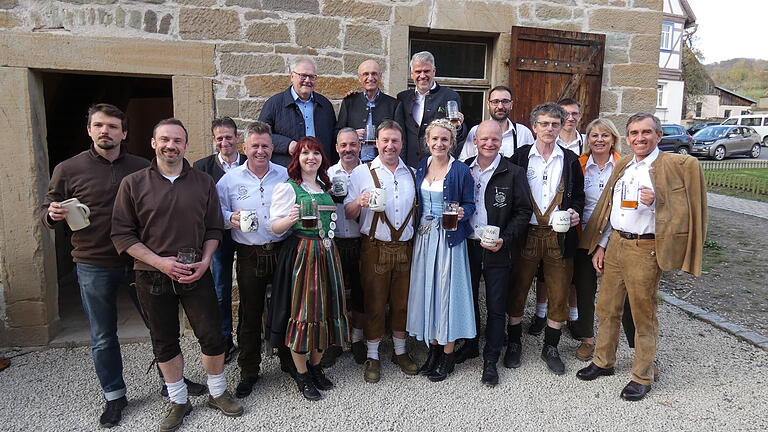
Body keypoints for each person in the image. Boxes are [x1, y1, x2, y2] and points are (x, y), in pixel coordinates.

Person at [39, 104, 204, 428]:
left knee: (160, 328)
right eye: (99, 125)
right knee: (103, 335)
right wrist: (51, 214)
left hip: (140, 262)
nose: (106, 132)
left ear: (124, 134)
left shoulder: (142, 167)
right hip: (93, 262)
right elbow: (48, 208)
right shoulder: (68, 169)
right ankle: (114, 395)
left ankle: (170, 383)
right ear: (89, 130)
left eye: (113, 127)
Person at [111, 119, 243, 432]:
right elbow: (122, 234)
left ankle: (217, 392)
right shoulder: (133, 184)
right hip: (151, 276)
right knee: (164, 341)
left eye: (177, 141)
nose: (171, 146)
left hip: (196, 272)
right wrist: (159, 262)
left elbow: (214, 228)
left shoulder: (201, 182)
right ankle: (179, 399)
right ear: (153, 143)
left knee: (212, 335)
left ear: (185, 145)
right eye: (165, 140)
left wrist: (206, 260)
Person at [576, 113, 707, 401]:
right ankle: (603, 361)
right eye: (634, 132)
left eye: (646, 132)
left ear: (658, 136)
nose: (640, 138)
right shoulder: (623, 164)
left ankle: (642, 375)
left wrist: (659, 200)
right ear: (628, 137)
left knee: (642, 314)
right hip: (616, 245)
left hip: (645, 249)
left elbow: (688, 207)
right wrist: (602, 244)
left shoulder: (672, 165)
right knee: (607, 308)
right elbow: (612, 209)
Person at [266, 136, 349, 401]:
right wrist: (288, 220)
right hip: (303, 254)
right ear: (297, 159)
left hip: (327, 254)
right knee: (304, 312)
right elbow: (273, 227)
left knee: (326, 311)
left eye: (315, 152)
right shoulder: (289, 188)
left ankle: (315, 368)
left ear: (322, 159)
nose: (310, 157)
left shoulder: (326, 186)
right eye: (305, 153)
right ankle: (301, 375)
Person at [506, 102, 585, 376]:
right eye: (544, 123)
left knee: (560, 290)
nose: (549, 129)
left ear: (562, 125)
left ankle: (550, 346)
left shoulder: (571, 160)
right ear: (534, 127)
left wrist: (574, 212)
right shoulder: (519, 157)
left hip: (558, 236)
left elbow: (578, 197)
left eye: (554, 123)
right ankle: (514, 342)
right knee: (517, 288)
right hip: (526, 233)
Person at [215, 121, 289, 398]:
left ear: (272, 148)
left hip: (282, 251)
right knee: (249, 313)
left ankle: (287, 362)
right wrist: (229, 219)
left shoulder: (284, 174)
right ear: (244, 148)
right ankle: (249, 370)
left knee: (285, 309)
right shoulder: (230, 179)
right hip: (249, 254)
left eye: (265, 146)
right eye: (254, 146)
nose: (260, 151)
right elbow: (216, 211)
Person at [458, 120, 532, 386]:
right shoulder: (463, 168)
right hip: (468, 243)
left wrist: (506, 237)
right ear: (475, 141)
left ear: (501, 142)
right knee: (468, 299)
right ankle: (470, 344)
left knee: (496, 303)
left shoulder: (513, 172)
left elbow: (524, 211)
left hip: (498, 247)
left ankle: (491, 358)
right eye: (484, 139)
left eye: (495, 140)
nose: (489, 144)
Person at [344, 120, 419, 383]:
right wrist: (359, 201)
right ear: (376, 143)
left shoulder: (411, 172)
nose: (390, 145)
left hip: (405, 248)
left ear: (401, 143)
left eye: (395, 141)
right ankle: (373, 355)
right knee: (374, 304)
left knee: (401, 303)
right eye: (385, 140)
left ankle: (400, 351)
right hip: (375, 247)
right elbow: (348, 212)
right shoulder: (362, 173)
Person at [406, 119, 475, 382]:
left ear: (452, 142)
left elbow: (470, 205)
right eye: (434, 139)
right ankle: (433, 351)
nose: (439, 143)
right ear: (427, 141)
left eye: (444, 139)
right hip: (424, 239)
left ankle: (447, 355)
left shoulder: (460, 170)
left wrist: (461, 212)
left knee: (446, 294)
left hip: (448, 240)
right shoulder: (422, 166)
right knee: (428, 292)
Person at [193, 117, 247, 363]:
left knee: (250, 287)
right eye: (220, 138)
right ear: (214, 141)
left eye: (229, 137)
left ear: (237, 138)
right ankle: (224, 340)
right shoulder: (202, 167)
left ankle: (249, 338)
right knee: (220, 289)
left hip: (249, 234)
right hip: (219, 235)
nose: (225, 142)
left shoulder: (251, 162)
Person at [572, 118, 622, 361]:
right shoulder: (579, 165)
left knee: (615, 292)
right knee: (584, 288)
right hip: (584, 235)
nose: (599, 140)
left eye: (605, 135)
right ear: (587, 140)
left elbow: (624, 208)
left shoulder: (624, 166)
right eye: (594, 135)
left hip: (615, 235)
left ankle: (615, 341)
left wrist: (604, 242)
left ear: (613, 139)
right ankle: (587, 338)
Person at [321, 128, 366, 367]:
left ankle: (357, 339)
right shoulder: (327, 174)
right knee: (333, 294)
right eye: (343, 145)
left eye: (352, 144)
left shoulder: (368, 172)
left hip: (361, 241)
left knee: (361, 293)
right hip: (334, 241)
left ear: (359, 145)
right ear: (337, 148)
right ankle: (335, 342)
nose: (348, 149)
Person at [259, 57, 337, 167]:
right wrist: (287, 145)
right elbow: (261, 135)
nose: (307, 80)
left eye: (311, 76)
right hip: (286, 170)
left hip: (318, 171)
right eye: (303, 75)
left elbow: (333, 139)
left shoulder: (325, 105)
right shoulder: (274, 104)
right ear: (292, 76)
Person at [397, 51, 467, 166]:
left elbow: (457, 135)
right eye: (418, 72)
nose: (422, 76)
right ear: (411, 74)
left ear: (434, 71)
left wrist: (459, 126)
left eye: (426, 71)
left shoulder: (450, 96)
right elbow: (400, 133)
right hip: (409, 164)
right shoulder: (403, 98)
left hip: (439, 164)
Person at [336, 59, 404, 163]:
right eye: (365, 74)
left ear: (380, 77)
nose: (370, 78)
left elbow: (400, 138)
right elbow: (337, 133)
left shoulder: (394, 104)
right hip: (354, 163)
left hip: (382, 164)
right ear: (360, 78)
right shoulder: (349, 102)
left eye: (374, 74)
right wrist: (353, 134)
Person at [458, 86, 535, 161]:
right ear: (488, 105)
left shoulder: (523, 132)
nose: (500, 106)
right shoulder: (475, 131)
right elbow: (465, 161)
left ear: (511, 105)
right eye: (495, 102)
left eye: (505, 101)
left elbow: (531, 162)